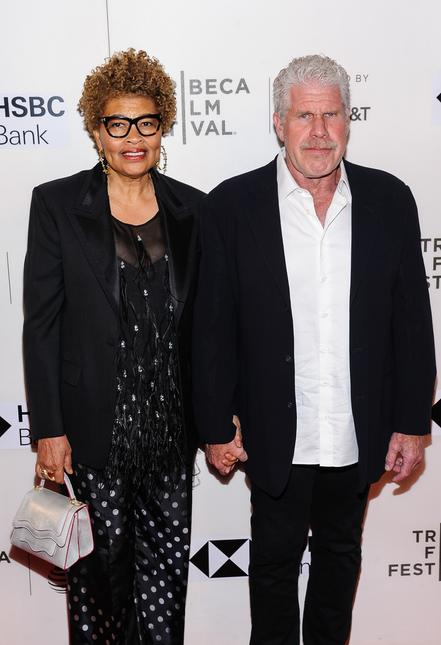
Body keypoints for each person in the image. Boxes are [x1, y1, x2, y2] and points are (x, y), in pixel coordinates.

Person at [192, 54, 436, 645]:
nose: (320, 132)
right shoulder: (232, 206)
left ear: (349, 120)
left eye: (331, 116)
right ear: (279, 123)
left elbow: (412, 322)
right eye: (305, 116)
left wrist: (411, 423)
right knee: (273, 567)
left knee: (340, 559)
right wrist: (215, 425)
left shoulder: (390, 199)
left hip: (356, 429)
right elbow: (211, 328)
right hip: (275, 431)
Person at [23, 48, 204, 644]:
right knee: (100, 588)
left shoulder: (193, 209)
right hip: (94, 433)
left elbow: (208, 326)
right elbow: (41, 325)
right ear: (96, 131)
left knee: (165, 584)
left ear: (163, 127)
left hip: (170, 435)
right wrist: (49, 429)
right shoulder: (57, 205)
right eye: (117, 124)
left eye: (146, 123)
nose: (133, 138)